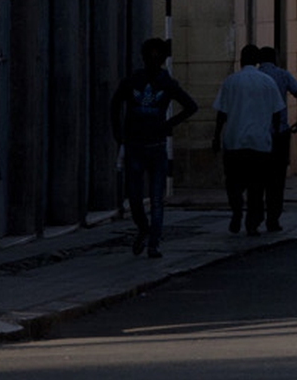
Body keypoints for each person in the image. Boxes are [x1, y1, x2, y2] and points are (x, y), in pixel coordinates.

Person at [109, 38, 197, 259]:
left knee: (153, 198)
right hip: (138, 145)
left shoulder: (164, 82)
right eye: (152, 56)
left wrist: (167, 125)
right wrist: (119, 133)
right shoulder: (136, 81)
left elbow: (191, 106)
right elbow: (115, 103)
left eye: (158, 56)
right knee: (137, 198)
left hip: (152, 146)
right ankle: (147, 232)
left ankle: (153, 242)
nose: (154, 60)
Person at [211, 44, 284, 237]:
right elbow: (277, 112)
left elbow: (222, 113)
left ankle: (236, 210)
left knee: (233, 182)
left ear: (242, 60)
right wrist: (273, 132)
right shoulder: (268, 82)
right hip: (260, 142)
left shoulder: (231, 82)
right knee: (256, 186)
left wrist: (216, 137)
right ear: (257, 60)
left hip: (234, 141)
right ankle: (252, 223)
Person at [256, 46, 297, 233]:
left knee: (259, 177)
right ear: (275, 58)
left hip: (259, 133)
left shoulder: (255, 77)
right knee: (277, 179)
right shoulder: (283, 75)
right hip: (279, 134)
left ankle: (256, 215)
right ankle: (273, 219)